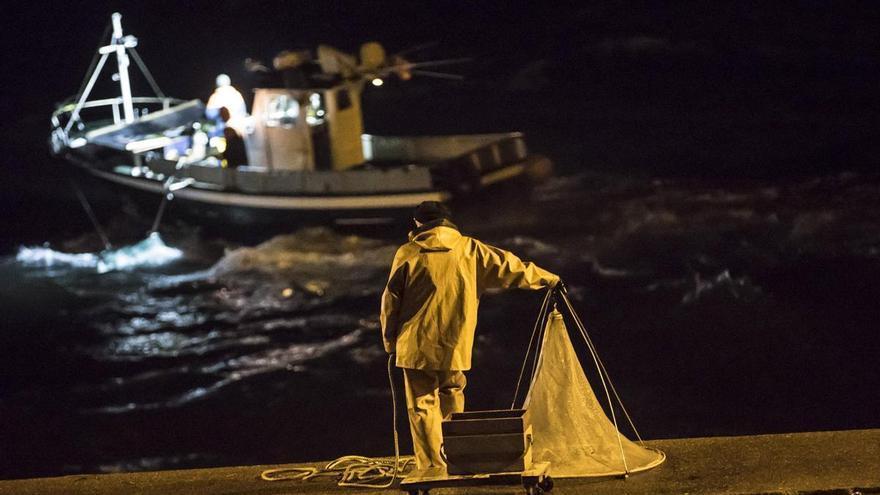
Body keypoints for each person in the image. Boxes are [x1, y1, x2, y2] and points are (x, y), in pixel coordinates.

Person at [380, 201, 560, 471]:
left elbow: (390, 301)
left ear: (418, 224)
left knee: (422, 404)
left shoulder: (408, 253)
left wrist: (389, 340)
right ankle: (456, 457)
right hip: (455, 344)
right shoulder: (471, 249)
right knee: (452, 394)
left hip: (415, 345)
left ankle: (431, 466)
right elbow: (511, 268)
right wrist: (548, 279)